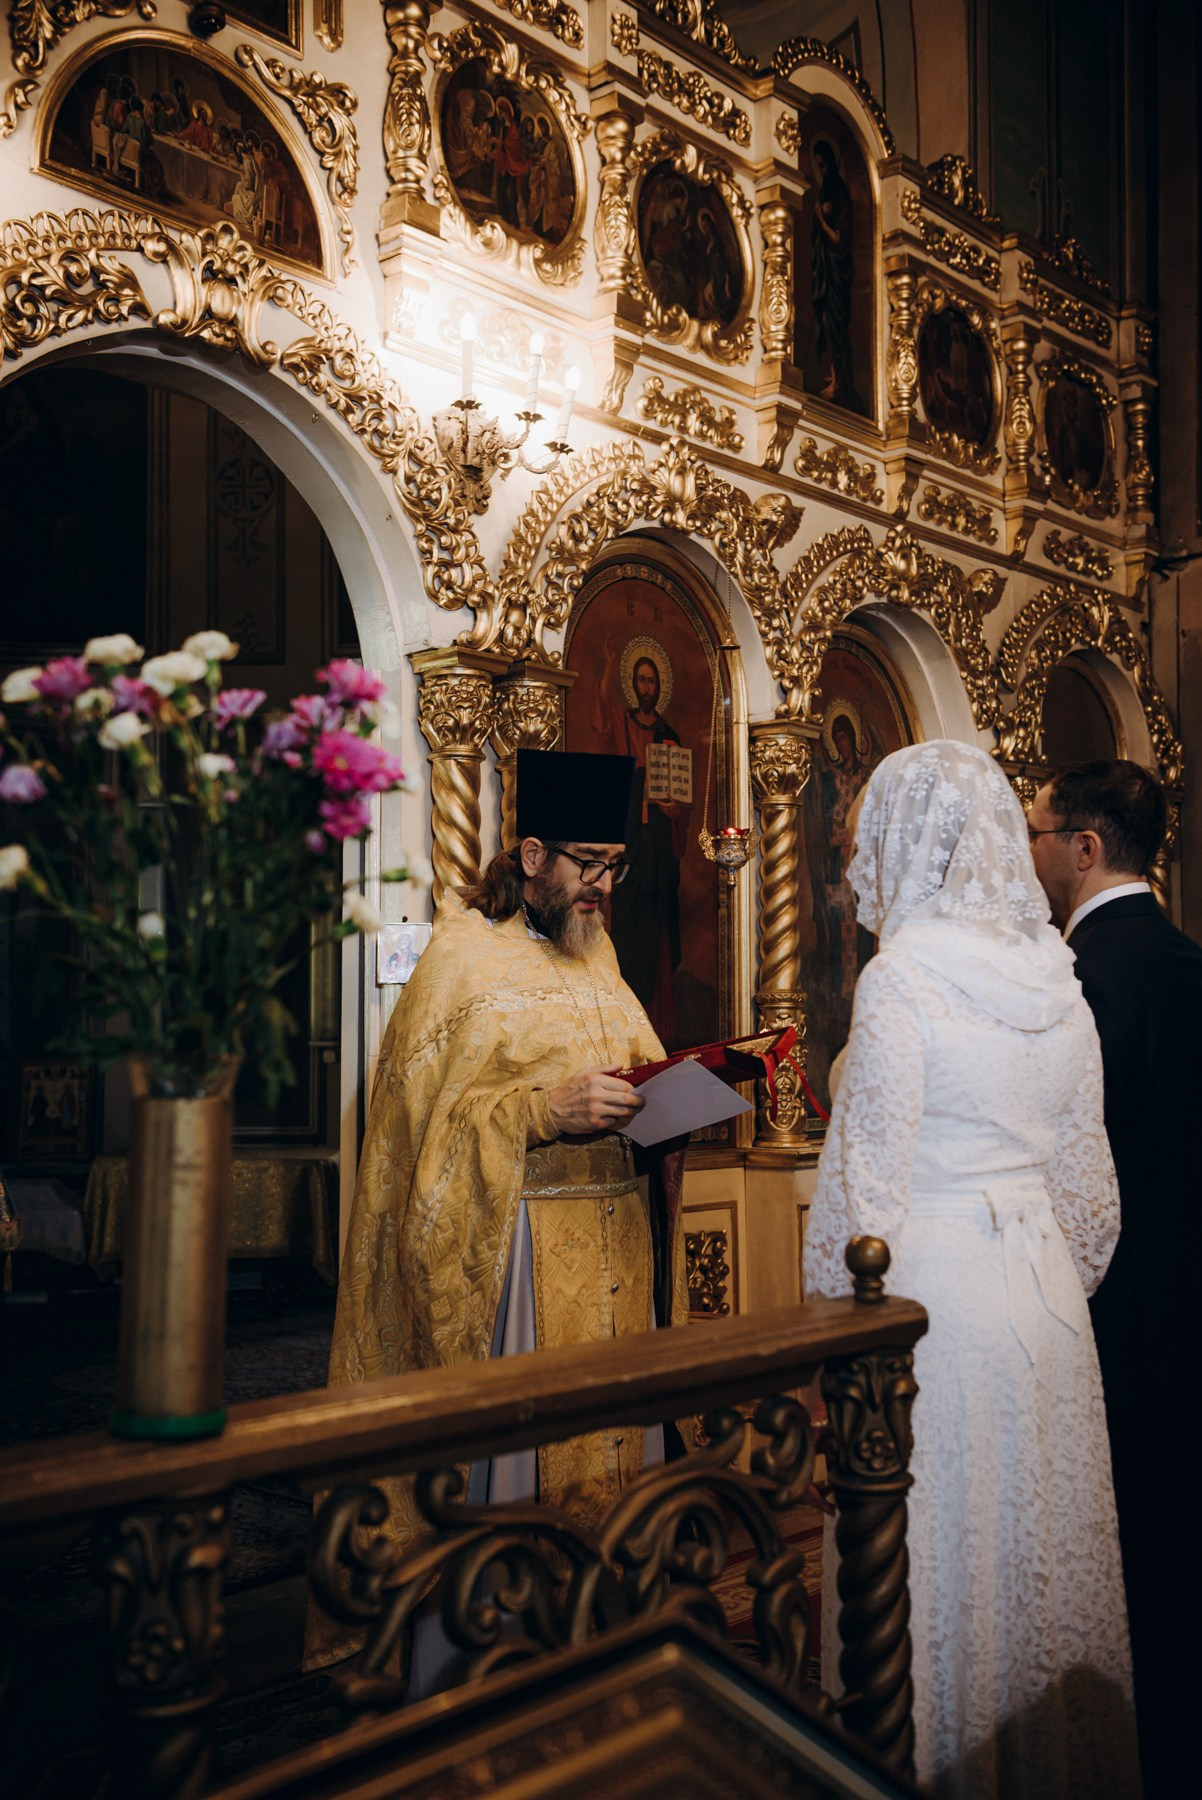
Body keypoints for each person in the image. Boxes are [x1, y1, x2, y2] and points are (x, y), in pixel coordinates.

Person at [803, 740, 1139, 1800]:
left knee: (936, 1567)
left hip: (931, 1311)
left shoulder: (902, 980)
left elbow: (859, 1204)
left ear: (908, 847)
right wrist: (1035, 1276)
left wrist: (826, 1338)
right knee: (1035, 1564)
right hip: (1044, 1310)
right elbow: (1091, 1208)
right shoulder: (1055, 977)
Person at [307, 748, 688, 1669]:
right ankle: (488, 1655)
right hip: (512, 1267)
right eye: (587, 864)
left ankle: (596, 1642)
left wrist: (683, 1099)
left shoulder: (603, 959)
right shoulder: (460, 960)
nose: (602, 886)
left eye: (614, 865)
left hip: (612, 1260)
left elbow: (640, 1072)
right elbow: (415, 1142)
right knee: (514, 1471)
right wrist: (540, 1112)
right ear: (529, 856)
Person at [1028, 759, 1202, 1798]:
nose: (1033, 853)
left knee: (1127, 1548)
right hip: (1187, 1299)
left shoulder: (1078, 982)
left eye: (1040, 833)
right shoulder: (1184, 961)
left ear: (1083, 849)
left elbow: (1066, 1156)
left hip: (1113, 1311)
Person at [590, 637, 689, 1044]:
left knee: (658, 920)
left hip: (659, 845)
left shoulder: (669, 734)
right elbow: (599, 719)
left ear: (659, 687)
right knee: (628, 921)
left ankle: (656, 1021)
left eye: (652, 682)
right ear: (634, 684)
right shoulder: (625, 721)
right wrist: (607, 667)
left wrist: (674, 813)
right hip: (630, 834)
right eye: (641, 680)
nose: (647, 688)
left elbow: (681, 799)